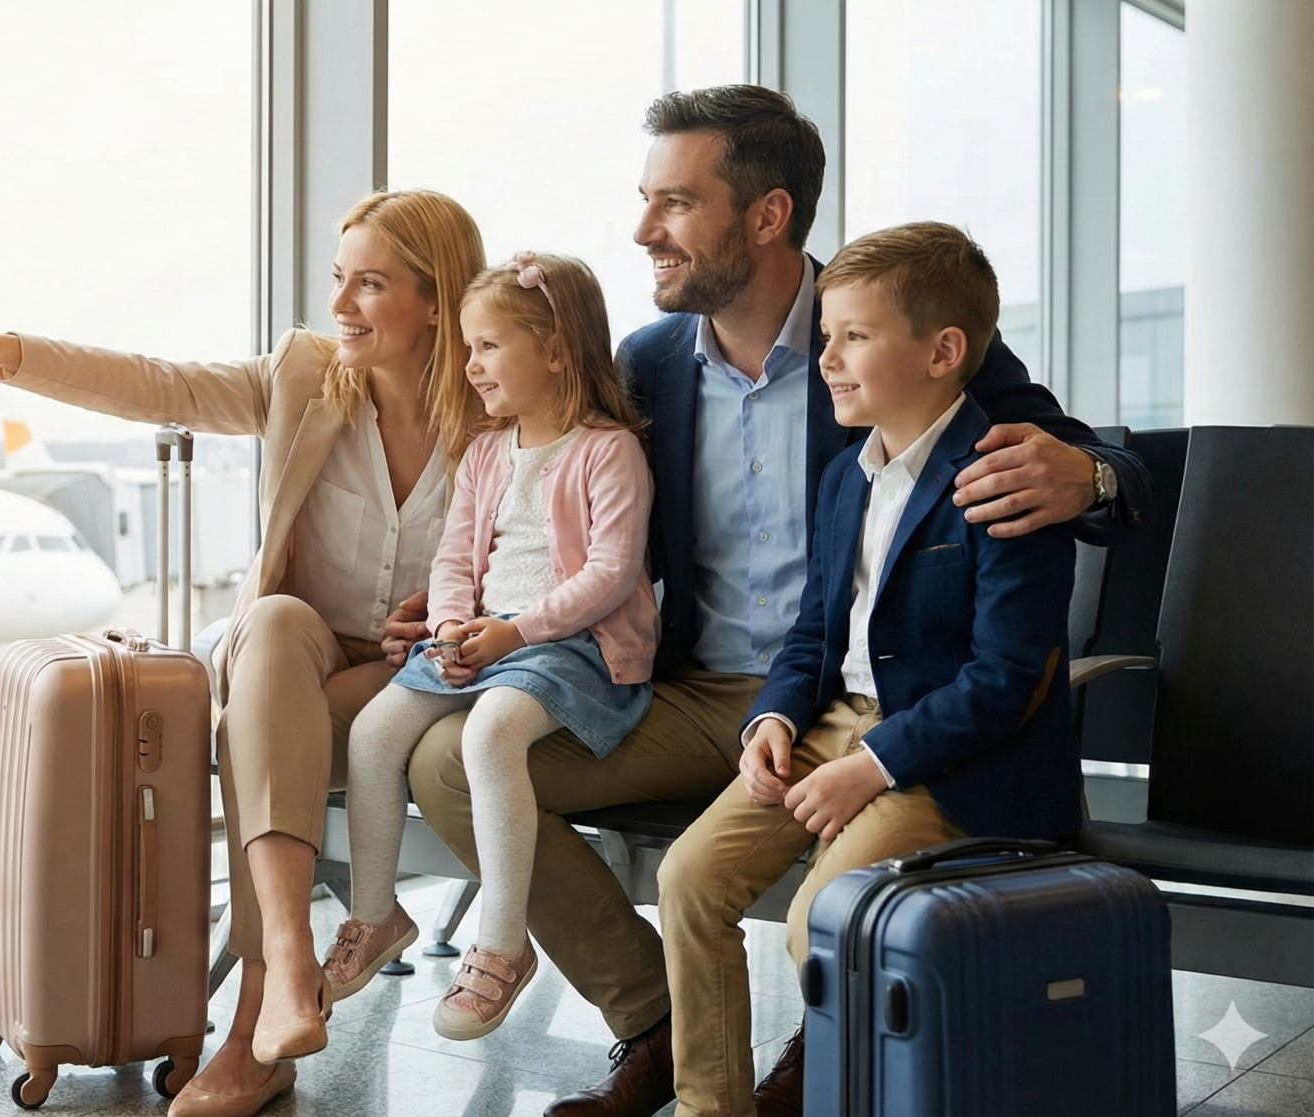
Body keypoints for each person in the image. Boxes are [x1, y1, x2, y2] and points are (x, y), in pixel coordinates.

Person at [395, 86, 1149, 1117]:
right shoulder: (651, 362)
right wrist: (463, 611)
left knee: (811, 897)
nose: (640, 230)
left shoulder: (887, 336)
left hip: (872, 702)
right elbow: (575, 514)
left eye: (671, 202)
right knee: (448, 759)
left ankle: (812, 1060)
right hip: (707, 692)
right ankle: (655, 1021)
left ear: (765, 215)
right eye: (642, 200)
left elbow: (1084, 461)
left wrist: (1092, 479)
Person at [0, 189, 486, 1117]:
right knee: (273, 624)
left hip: (428, 672)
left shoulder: (493, 404)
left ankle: (251, 1033)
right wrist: (6, 350)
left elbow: (542, 538)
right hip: (310, 656)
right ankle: (287, 961)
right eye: (338, 279)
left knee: (252, 732)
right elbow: (161, 383)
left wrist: (455, 616)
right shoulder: (304, 375)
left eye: (371, 284)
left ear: (438, 301)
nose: (342, 305)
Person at [658, 221, 1082, 1117]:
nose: (827, 361)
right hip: (829, 728)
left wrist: (873, 764)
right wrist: (771, 719)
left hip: (953, 758)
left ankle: (844, 1097)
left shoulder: (1003, 475)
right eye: (825, 338)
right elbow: (813, 632)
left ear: (944, 351)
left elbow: (1005, 678)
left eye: (854, 337)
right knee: (688, 880)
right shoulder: (846, 475)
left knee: (824, 920)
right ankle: (710, 1104)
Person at [323, 253, 657, 1043]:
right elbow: (454, 558)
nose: (470, 366)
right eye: (468, 348)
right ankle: (375, 915)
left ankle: (503, 940)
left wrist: (516, 629)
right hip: (479, 638)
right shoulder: (484, 452)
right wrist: (447, 627)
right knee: (374, 732)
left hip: (568, 645)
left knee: (490, 732)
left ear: (557, 351)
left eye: (488, 347)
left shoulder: (609, 450)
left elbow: (610, 573)